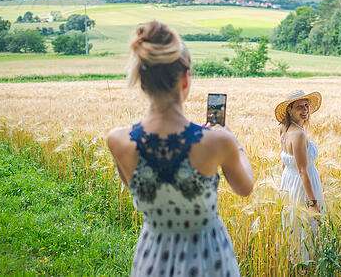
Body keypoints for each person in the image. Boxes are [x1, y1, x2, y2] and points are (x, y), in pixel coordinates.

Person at [107, 20, 254, 277]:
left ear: (142, 80)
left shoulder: (117, 141)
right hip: (209, 258)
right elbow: (245, 188)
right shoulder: (216, 141)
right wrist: (236, 144)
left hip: (153, 257)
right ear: (185, 79)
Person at [275, 89, 325, 263]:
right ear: (289, 109)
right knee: (307, 226)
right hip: (303, 184)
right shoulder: (298, 134)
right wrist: (312, 203)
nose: (305, 110)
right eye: (299, 107)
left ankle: (296, 261)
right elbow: (303, 171)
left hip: (289, 182)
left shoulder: (284, 128)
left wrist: (285, 187)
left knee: (294, 225)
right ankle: (305, 265)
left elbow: (285, 161)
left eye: (306, 106)